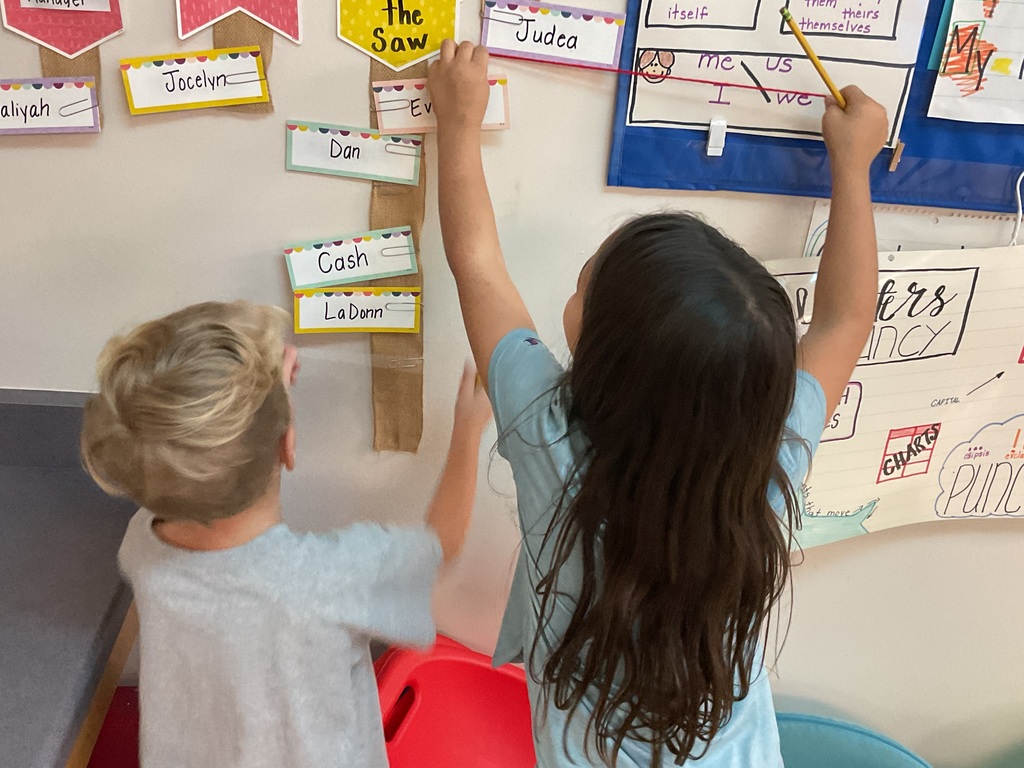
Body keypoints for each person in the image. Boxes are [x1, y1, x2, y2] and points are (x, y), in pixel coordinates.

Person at [428, 39, 888, 767]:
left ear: (607, 365)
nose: (573, 290)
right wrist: (854, 166)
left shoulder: (550, 441)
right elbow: (844, 321)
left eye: (583, 287)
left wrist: (456, 123)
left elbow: (476, 260)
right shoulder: (765, 461)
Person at [80, 300, 492, 768]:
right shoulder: (324, 580)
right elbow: (442, 547)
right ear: (289, 447)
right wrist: (468, 428)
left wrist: (259, 388)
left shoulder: (144, 545)